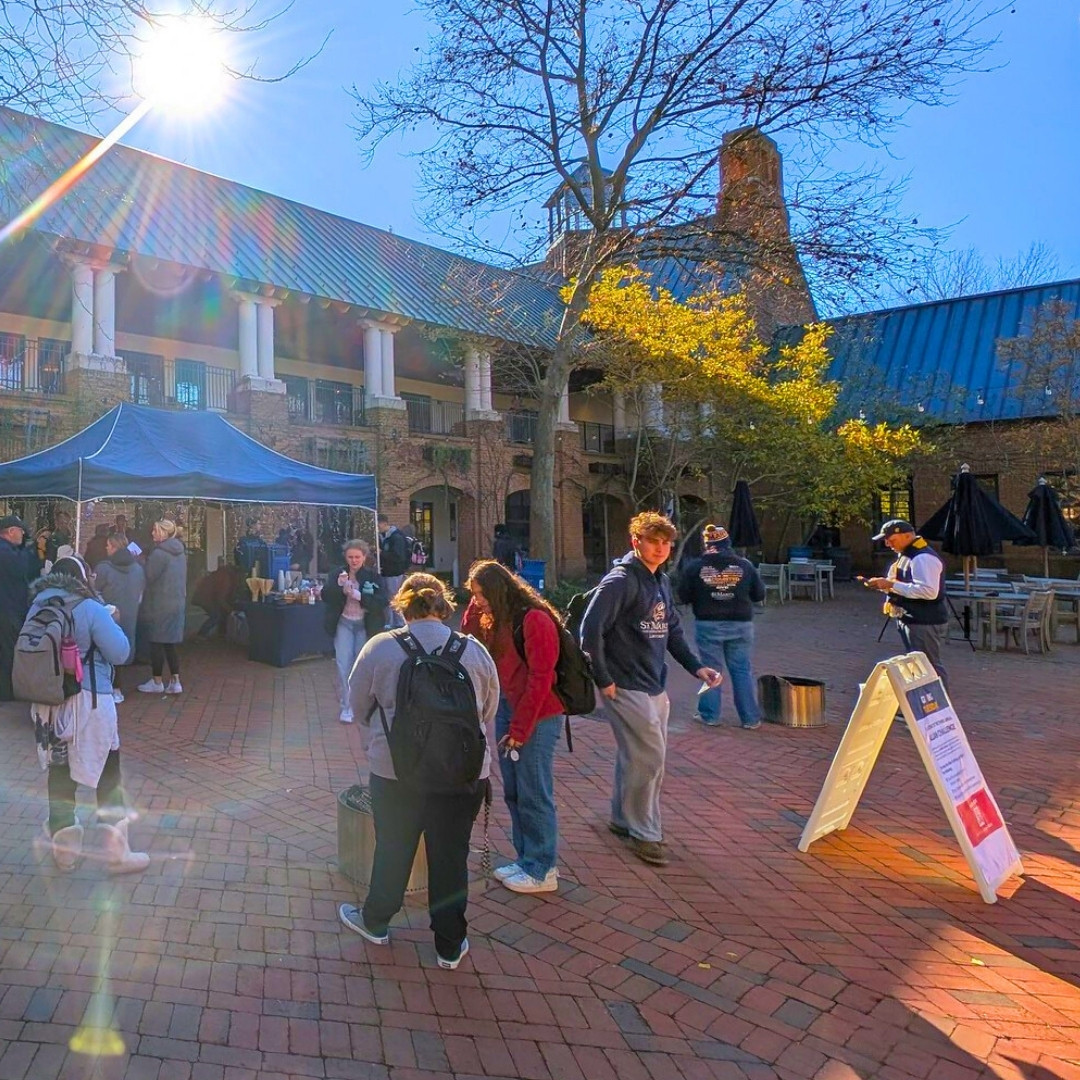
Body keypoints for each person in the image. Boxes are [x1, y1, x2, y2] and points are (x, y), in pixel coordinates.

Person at [338, 573, 498, 969]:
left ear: (403, 606)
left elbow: (357, 707)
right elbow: (487, 712)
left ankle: (376, 922)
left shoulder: (381, 648)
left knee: (393, 847)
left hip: (397, 771)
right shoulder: (474, 650)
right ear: (443, 607)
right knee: (451, 856)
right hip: (464, 773)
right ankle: (449, 944)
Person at [579, 511, 721, 868]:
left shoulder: (660, 581)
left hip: (654, 683)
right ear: (636, 542)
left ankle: (622, 819)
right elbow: (589, 631)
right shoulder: (619, 581)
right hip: (624, 684)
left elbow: (671, 630)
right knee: (650, 759)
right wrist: (603, 679)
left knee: (637, 757)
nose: (659, 549)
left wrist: (696, 666)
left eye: (665, 543)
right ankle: (646, 834)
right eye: (652, 541)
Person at [28, 555, 148, 873]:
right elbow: (121, 652)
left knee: (59, 772)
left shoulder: (38, 606)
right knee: (108, 774)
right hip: (89, 701)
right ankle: (116, 854)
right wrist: (111, 618)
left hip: (47, 701)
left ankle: (65, 852)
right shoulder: (91, 607)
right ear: (84, 578)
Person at [462, 559, 563, 894]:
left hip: (539, 713)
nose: (478, 600)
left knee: (534, 791)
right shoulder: (494, 616)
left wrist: (520, 729)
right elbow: (468, 637)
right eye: (473, 595)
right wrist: (475, 610)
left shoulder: (535, 619)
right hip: (509, 706)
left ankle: (542, 867)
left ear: (499, 590)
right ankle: (526, 859)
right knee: (515, 791)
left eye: (482, 594)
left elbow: (541, 680)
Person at [677, 524, 765, 730]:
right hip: (741, 624)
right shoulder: (745, 565)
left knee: (711, 670)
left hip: (708, 623)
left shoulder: (694, 567)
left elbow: (682, 595)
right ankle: (750, 718)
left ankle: (710, 715)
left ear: (707, 544)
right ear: (727, 543)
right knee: (742, 670)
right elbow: (759, 595)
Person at [864, 519, 950, 692]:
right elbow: (900, 584)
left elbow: (928, 592)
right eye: (886, 540)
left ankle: (938, 709)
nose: (888, 543)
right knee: (918, 665)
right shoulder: (906, 555)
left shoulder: (923, 557)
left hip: (925, 620)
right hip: (912, 618)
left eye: (891, 539)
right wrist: (884, 585)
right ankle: (923, 707)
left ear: (907, 536)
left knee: (928, 665)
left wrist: (890, 585)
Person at [322, 539, 386, 724]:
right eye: (350, 557)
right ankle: (346, 707)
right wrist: (339, 588)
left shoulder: (373, 576)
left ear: (364, 557)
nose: (354, 560)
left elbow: (381, 603)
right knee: (343, 665)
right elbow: (326, 596)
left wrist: (361, 597)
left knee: (360, 667)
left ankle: (362, 705)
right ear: (346, 557)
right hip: (344, 623)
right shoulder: (338, 573)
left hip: (364, 625)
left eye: (357, 557)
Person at [94, 533, 146, 703]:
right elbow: (140, 593)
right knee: (123, 647)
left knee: (105, 648)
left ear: (115, 547)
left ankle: (109, 687)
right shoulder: (138, 568)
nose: (106, 548)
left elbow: (94, 592)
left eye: (108, 545)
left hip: (107, 615)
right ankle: (118, 688)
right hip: (130, 614)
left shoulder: (103, 568)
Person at [138, 519, 187, 695]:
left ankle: (157, 681)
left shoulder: (159, 554)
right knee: (170, 644)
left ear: (164, 533)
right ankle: (175, 681)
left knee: (156, 642)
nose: (152, 533)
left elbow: (148, 576)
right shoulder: (180, 552)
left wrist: (142, 561)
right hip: (177, 603)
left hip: (159, 604)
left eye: (155, 530)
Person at [0, 514, 34, 700]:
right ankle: (6, 692)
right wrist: (30, 550)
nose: (22, 535)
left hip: (6, 608)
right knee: (8, 652)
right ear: (11, 531)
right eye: (21, 531)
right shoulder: (5, 552)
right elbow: (22, 568)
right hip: (7, 610)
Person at [191, 562, 243, 639]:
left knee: (220, 613)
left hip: (204, 596)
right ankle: (201, 635)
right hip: (205, 598)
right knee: (216, 616)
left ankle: (221, 634)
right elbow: (220, 599)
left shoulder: (223, 574)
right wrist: (230, 610)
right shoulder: (226, 578)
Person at [377, 514, 412, 627]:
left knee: (393, 597)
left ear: (384, 523)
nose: (377, 528)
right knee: (389, 597)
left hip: (394, 572)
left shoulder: (396, 537)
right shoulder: (383, 536)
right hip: (386, 571)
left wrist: (382, 553)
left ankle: (399, 622)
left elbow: (399, 556)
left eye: (378, 525)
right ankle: (392, 622)